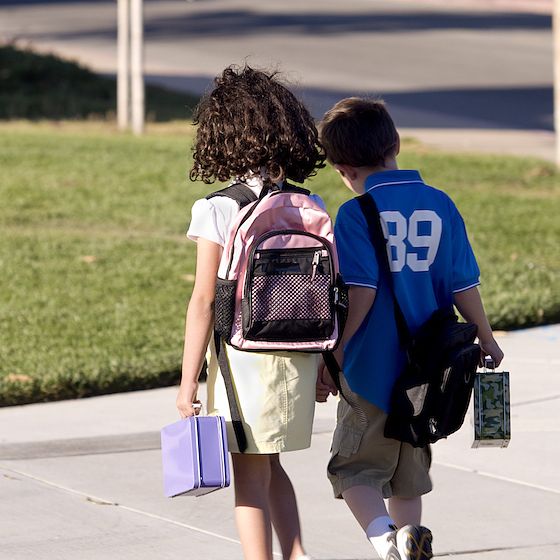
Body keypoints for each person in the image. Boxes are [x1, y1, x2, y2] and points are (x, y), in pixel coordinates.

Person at [316, 97, 504, 560]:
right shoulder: (440, 203)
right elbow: (463, 283)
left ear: (342, 168)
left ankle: (386, 541)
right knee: (407, 475)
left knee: (354, 471)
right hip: (431, 372)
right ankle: (410, 537)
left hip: (372, 373)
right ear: (395, 143)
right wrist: (486, 336)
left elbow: (362, 293)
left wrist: (335, 354)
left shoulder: (356, 214)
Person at [176, 65, 325, 560]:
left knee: (248, 476)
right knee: (271, 463)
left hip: (243, 359)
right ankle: (297, 553)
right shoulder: (309, 202)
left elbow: (203, 299)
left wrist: (187, 384)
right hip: (299, 352)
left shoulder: (217, 208)